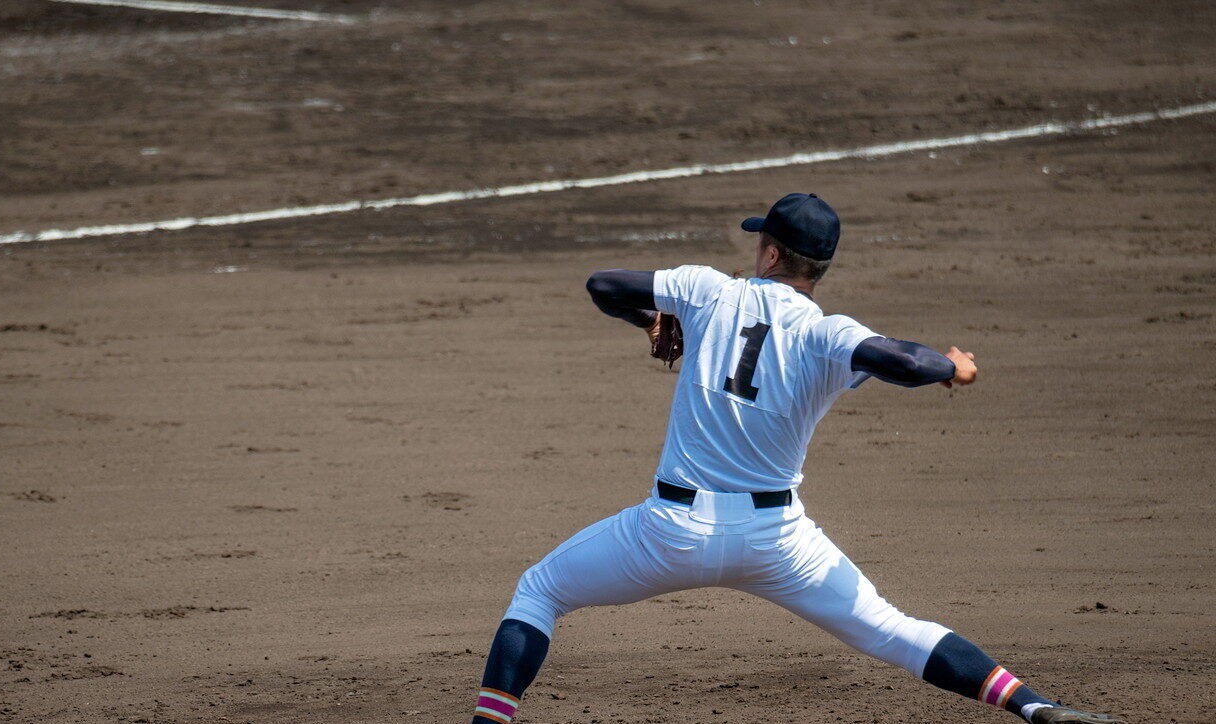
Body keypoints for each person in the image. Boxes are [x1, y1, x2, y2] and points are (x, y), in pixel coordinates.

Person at [467, 193, 1124, 724]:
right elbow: (903, 362)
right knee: (894, 631)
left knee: (541, 590)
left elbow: (603, 283)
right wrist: (952, 368)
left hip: (670, 532)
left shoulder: (707, 292)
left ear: (772, 251)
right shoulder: (826, 332)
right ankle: (1034, 705)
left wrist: (653, 321)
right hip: (777, 542)